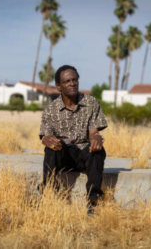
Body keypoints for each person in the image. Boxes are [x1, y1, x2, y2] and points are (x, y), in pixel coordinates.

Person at [39, 65, 107, 215]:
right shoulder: (50, 110)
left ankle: (93, 201)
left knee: (97, 150)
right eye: (67, 81)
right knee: (51, 148)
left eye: (74, 79)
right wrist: (47, 139)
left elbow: (93, 131)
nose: (72, 83)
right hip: (63, 157)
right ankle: (47, 193)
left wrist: (96, 138)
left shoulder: (91, 103)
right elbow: (44, 136)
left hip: (84, 156)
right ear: (59, 86)